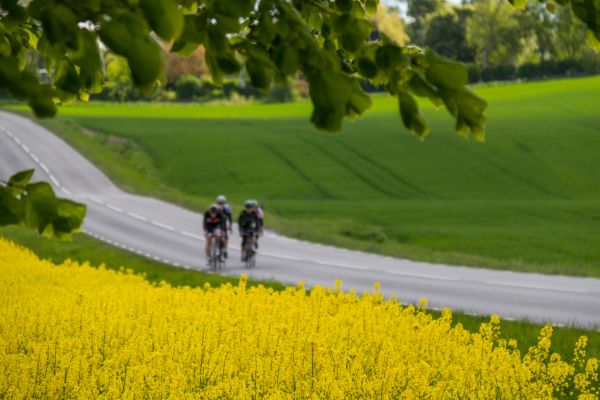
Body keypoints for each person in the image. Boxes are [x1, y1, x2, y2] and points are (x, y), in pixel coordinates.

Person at [216, 195, 232, 259]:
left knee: (226, 236)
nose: (221, 204)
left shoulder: (227, 208)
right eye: (219, 203)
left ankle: (225, 249)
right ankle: (219, 251)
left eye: (222, 203)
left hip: (224, 223)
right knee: (218, 236)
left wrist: (230, 226)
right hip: (216, 223)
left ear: (224, 203)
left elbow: (230, 218)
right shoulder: (215, 208)